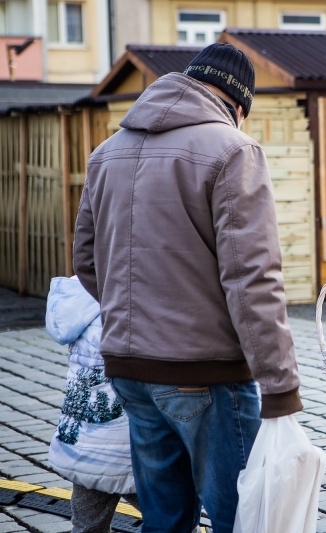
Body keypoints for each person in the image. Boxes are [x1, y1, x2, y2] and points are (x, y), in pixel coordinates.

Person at [72, 42, 303, 533]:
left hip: (129, 372)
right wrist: (280, 385)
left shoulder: (105, 154)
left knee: (163, 518)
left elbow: (87, 265)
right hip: (207, 375)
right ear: (237, 105)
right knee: (237, 516)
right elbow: (253, 278)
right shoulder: (232, 150)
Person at [46, 275, 137, 533]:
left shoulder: (78, 294)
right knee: (173, 513)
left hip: (84, 445)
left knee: (87, 526)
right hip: (128, 449)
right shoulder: (132, 292)